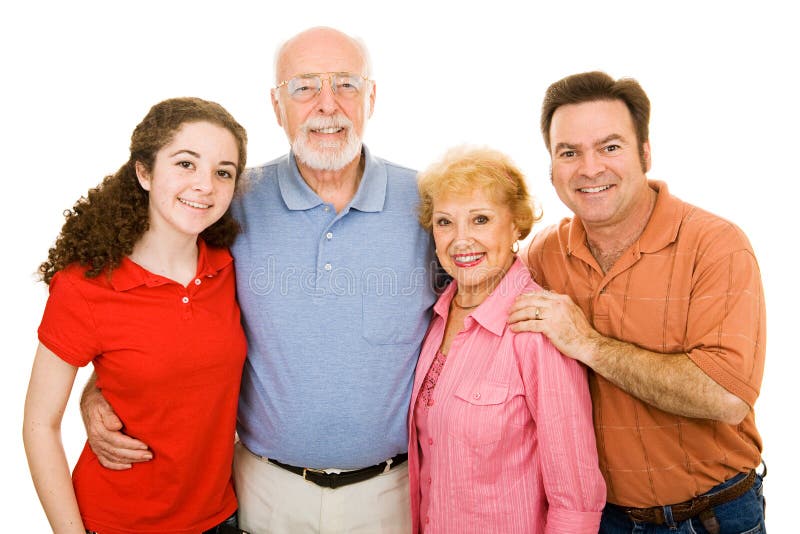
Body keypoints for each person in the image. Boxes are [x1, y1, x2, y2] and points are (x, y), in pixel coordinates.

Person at [80, 27, 437, 533]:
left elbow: (477, 317)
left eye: (347, 85)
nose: (327, 105)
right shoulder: (228, 202)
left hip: (392, 494)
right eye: (304, 87)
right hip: (263, 494)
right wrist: (97, 389)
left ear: (372, 97)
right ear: (277, 105)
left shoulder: (429, 202)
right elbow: (159, 305)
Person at [508, 71, 767, 533]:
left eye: (610, 147)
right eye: (569, 153)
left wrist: (587, 343)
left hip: (712, 517)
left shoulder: (716, 244)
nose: (589, 168)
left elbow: (727, 397)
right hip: (602, 520)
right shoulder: (543, 254)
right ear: (551, 167)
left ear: (645, 153)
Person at [23, 97, 249, 533]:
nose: (205, 185)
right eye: (186, 164)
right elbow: (39, 425)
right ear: (144, 172)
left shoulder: (229, 268)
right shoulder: (85, 287)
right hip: (115, 523)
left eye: (223, 172)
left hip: (222, 517)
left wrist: (97, 388)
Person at [409, 146, 605, 533]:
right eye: (445, 222)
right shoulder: (435, 317)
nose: (460, 240)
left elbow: (576, 498)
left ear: (516, 223)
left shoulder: (536, 328)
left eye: (480, 219)